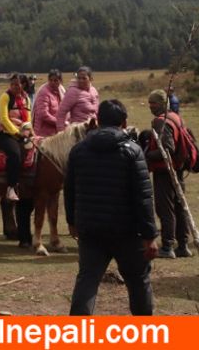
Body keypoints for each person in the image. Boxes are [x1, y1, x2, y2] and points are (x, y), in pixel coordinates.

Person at [64, 100, 157, 316]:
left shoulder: (78, 151)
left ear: (97, 121)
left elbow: (69, 190)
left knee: (87, 280)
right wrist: (150, 235)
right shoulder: (133, 151)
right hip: (127, 231)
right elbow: (143, 197)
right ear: (124, 122)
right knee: (138, 281)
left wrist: (72, 222)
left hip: (90, 229)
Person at [144, 90, 193, 258]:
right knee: (179, 207)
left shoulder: (160, 122)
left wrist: (146, 154)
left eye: (154, 103)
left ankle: (167, 246)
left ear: (163, 104)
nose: (151, 106)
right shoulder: (176, 117)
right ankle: (183, 245)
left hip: (165, 170)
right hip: (177, 169)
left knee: (166, 209)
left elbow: (167, 149)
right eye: (149, 103)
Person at [0, 73, 30, 202]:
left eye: (17, 84)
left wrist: (30, 133)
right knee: (15, 153)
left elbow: (28, 119)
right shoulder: (5, 97)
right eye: (12, 84)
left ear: (23, 85)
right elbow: (4, 118)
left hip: (21, 132)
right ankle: (11, 187)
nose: (14, 87)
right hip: (4, 133)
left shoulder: (26, 98)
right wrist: (17, 133)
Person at [56, 66, 100, 133]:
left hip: (94, 130)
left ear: (91, 79)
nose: (81, 80)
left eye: (84, 78)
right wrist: (61, 133)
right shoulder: (72, 92)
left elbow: (97, 112)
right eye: (79, 78)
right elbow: (61, 113)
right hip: (78, 133)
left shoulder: (94, 91)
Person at [33, 69, 66, 138]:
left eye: (55, 80)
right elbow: (43, 114)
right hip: (44, 132)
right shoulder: (44, 92)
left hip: (56, 131)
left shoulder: (61, 91)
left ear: (60, 81)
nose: (53, 82)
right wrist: (59, 122)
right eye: (51, 80)